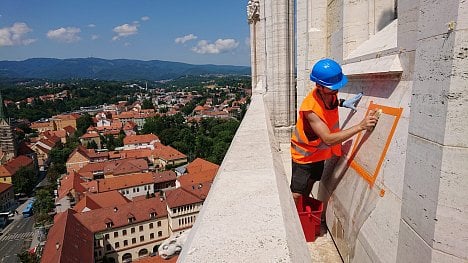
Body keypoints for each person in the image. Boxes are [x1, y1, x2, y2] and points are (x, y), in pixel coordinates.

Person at [290, 58, 377, 204]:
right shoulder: (310, 109)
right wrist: (360, 126)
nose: (336, 90)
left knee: (312, 181)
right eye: (333, 87)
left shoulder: (329, 92)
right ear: (319, 85)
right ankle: (294, 217)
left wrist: (343, 102)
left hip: (319, 153)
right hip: (303, 156)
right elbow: (328, 139)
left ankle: (304, 209)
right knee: (297, 193)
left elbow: (330, 103)